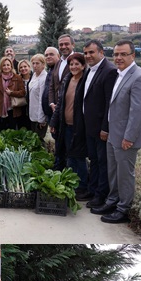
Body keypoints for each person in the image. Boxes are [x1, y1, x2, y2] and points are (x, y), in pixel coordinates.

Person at [89, 40, 141, 224]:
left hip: (126, 137)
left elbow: (137, 111)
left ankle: (123, 209)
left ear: (133, 55)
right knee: (113, 171)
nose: (118, 58)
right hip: (114, 134)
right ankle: (112, 201)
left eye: (123, 54)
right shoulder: (119, 74)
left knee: (125, 174)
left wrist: (129, 137)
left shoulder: (139, 77)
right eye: (116, 54)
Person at [81, 39, 118, 209]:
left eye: (91, 52)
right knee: (94, 160)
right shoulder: (90, 71)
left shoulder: (109, 71)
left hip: (100, 129)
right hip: (90, 127)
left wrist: (105, 128)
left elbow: (109, 103)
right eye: (86, 53)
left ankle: (101, 195)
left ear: (101, 53)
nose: (88, 56)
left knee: (103, 162)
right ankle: (93, 189)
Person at [49, 51, 90, 199]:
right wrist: (54, 121)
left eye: (77, 64)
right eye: (71, 64)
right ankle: (73, 184)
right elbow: (60, 103)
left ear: (83, 65)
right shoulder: (68, 79)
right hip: (66, 124)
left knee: (79, 157)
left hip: (79, 126)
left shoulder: (85, 81)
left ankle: (83, 187)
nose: (73, 67)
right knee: (69, 155)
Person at [0, 57, 26, 132]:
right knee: (2, 131)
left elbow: (23, 92)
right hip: (0, 109)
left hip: (13, 110)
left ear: (11, 66)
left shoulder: (17, 77)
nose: (6, 67)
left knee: (12, 131)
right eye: (4, 65)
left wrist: (12, 93)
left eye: (8, 65)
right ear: (1, 67)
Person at [49, 34, 74, 115]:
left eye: (66, 44)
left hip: (71, 109)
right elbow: (52, 86)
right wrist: (52, 103)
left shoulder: (78, 62)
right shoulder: (58, 63)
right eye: (61, 45)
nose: (63, 47)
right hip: (57, 108)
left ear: (73, 45)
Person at [27, 54, 49, 138]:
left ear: (43, 64)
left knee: (39, 139)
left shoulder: (44, 78)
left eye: (37, 63)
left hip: (39, 116)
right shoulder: (34, 75)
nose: (35, 66)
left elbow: (42, 99)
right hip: (32, 113)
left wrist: (41, 119)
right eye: (33, 63)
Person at [16, 60, 33, 130]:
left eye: (25, 66)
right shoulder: (17, 79)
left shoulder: (34, 78)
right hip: (21, 106)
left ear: (29, 67)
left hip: (32, 106)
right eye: (21, 67)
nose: (23, 69)